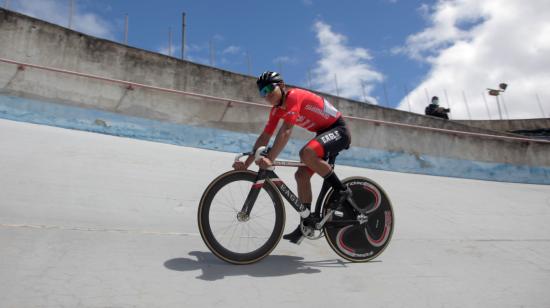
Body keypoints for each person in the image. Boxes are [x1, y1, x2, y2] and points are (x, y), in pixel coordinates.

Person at [232, 71, 352, 244]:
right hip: (323, 133)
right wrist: (247, 163)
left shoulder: (293, 97)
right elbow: (265, 136)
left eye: (269, 89)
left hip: (338, 130)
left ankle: (342, 191)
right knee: (301, 175)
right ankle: (307, 223)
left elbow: (286, 131)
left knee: (306, 153)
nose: (266, 95)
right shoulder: (275, 111)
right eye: (262, 92)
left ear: (281, 86)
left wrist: (270, 159)